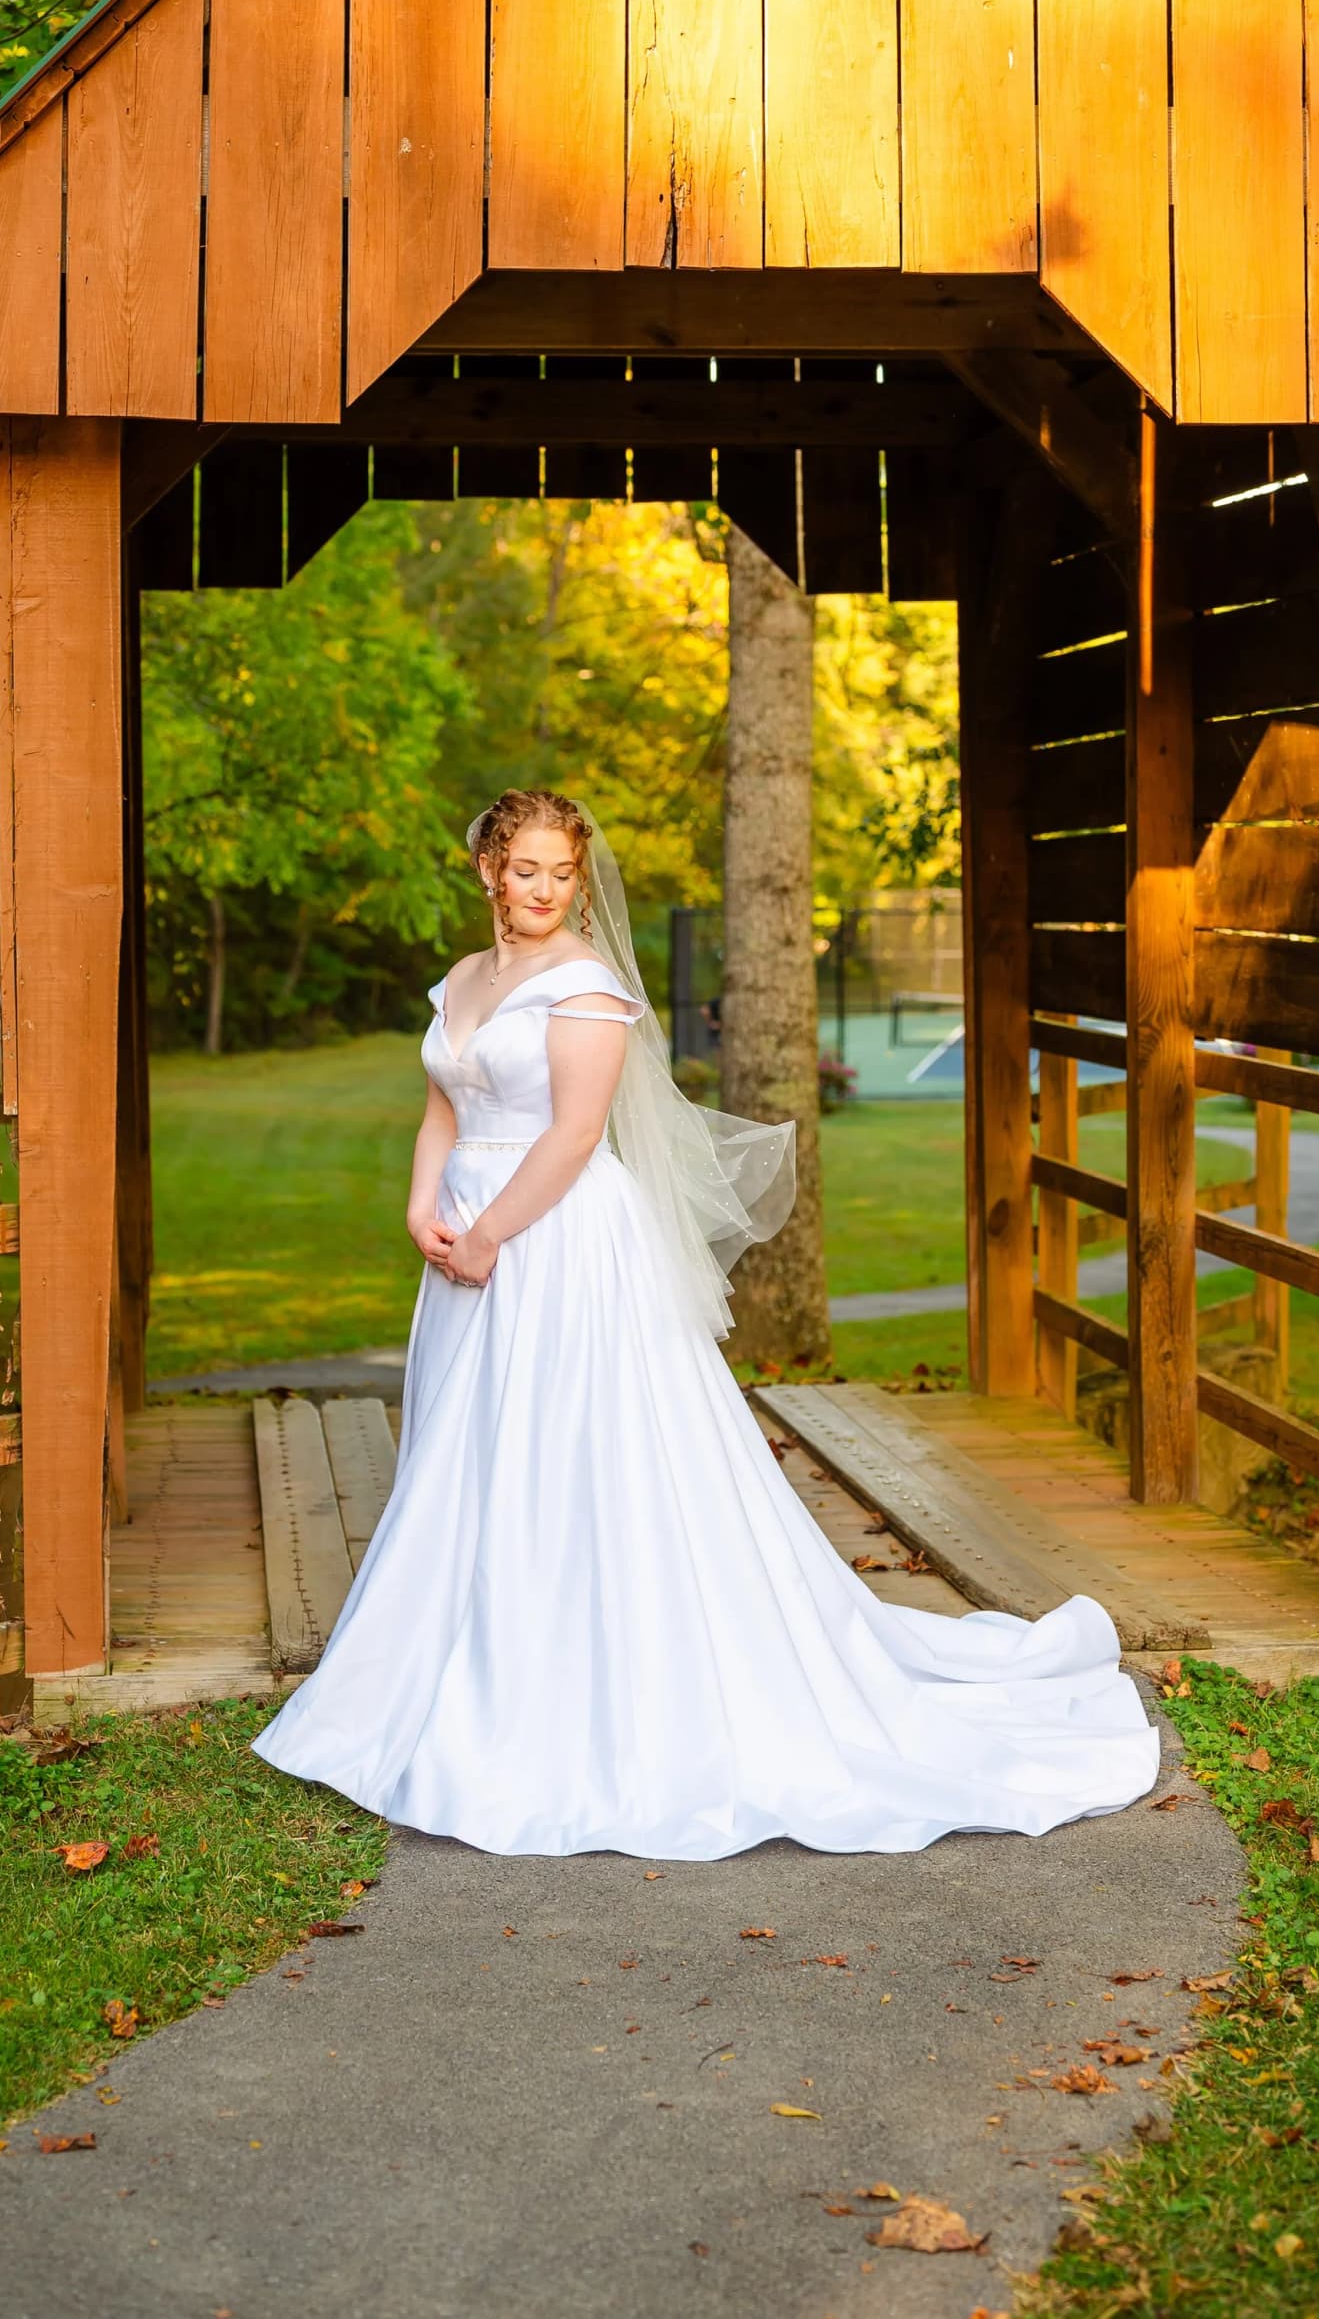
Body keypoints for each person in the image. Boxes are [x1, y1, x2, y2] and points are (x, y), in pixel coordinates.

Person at [251, 791, 1158, 1856]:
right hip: (464, 1236)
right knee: (471, 1451)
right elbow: (445, 1107)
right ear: (488, 869)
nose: (542, 888)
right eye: (523, 868)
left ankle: (586, 1684)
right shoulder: (461, 983)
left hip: (555, 1245)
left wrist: (490, 1231)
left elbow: (578, 1135)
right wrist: (424, 1207)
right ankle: (456, 1659)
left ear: (576, 878)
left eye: (559, 871)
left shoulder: (584, 990)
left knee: (581, 1450)